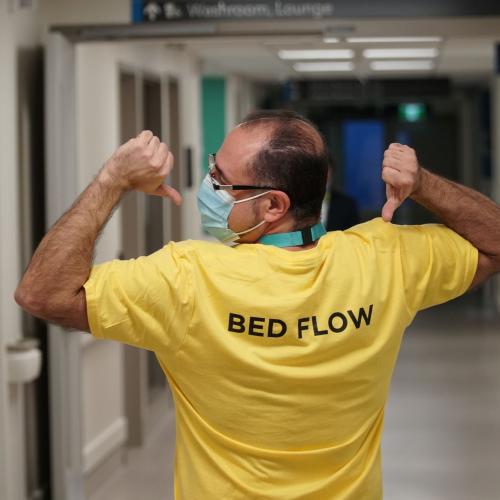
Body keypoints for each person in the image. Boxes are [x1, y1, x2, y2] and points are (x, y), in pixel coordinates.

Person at [15, 110, 500, 499]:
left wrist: (112, 179)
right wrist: (425, 183)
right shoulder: (385, 259)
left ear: (273, 206)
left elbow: (43, 293)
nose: (209, 186)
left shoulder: (188, 278)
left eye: (221, 181)